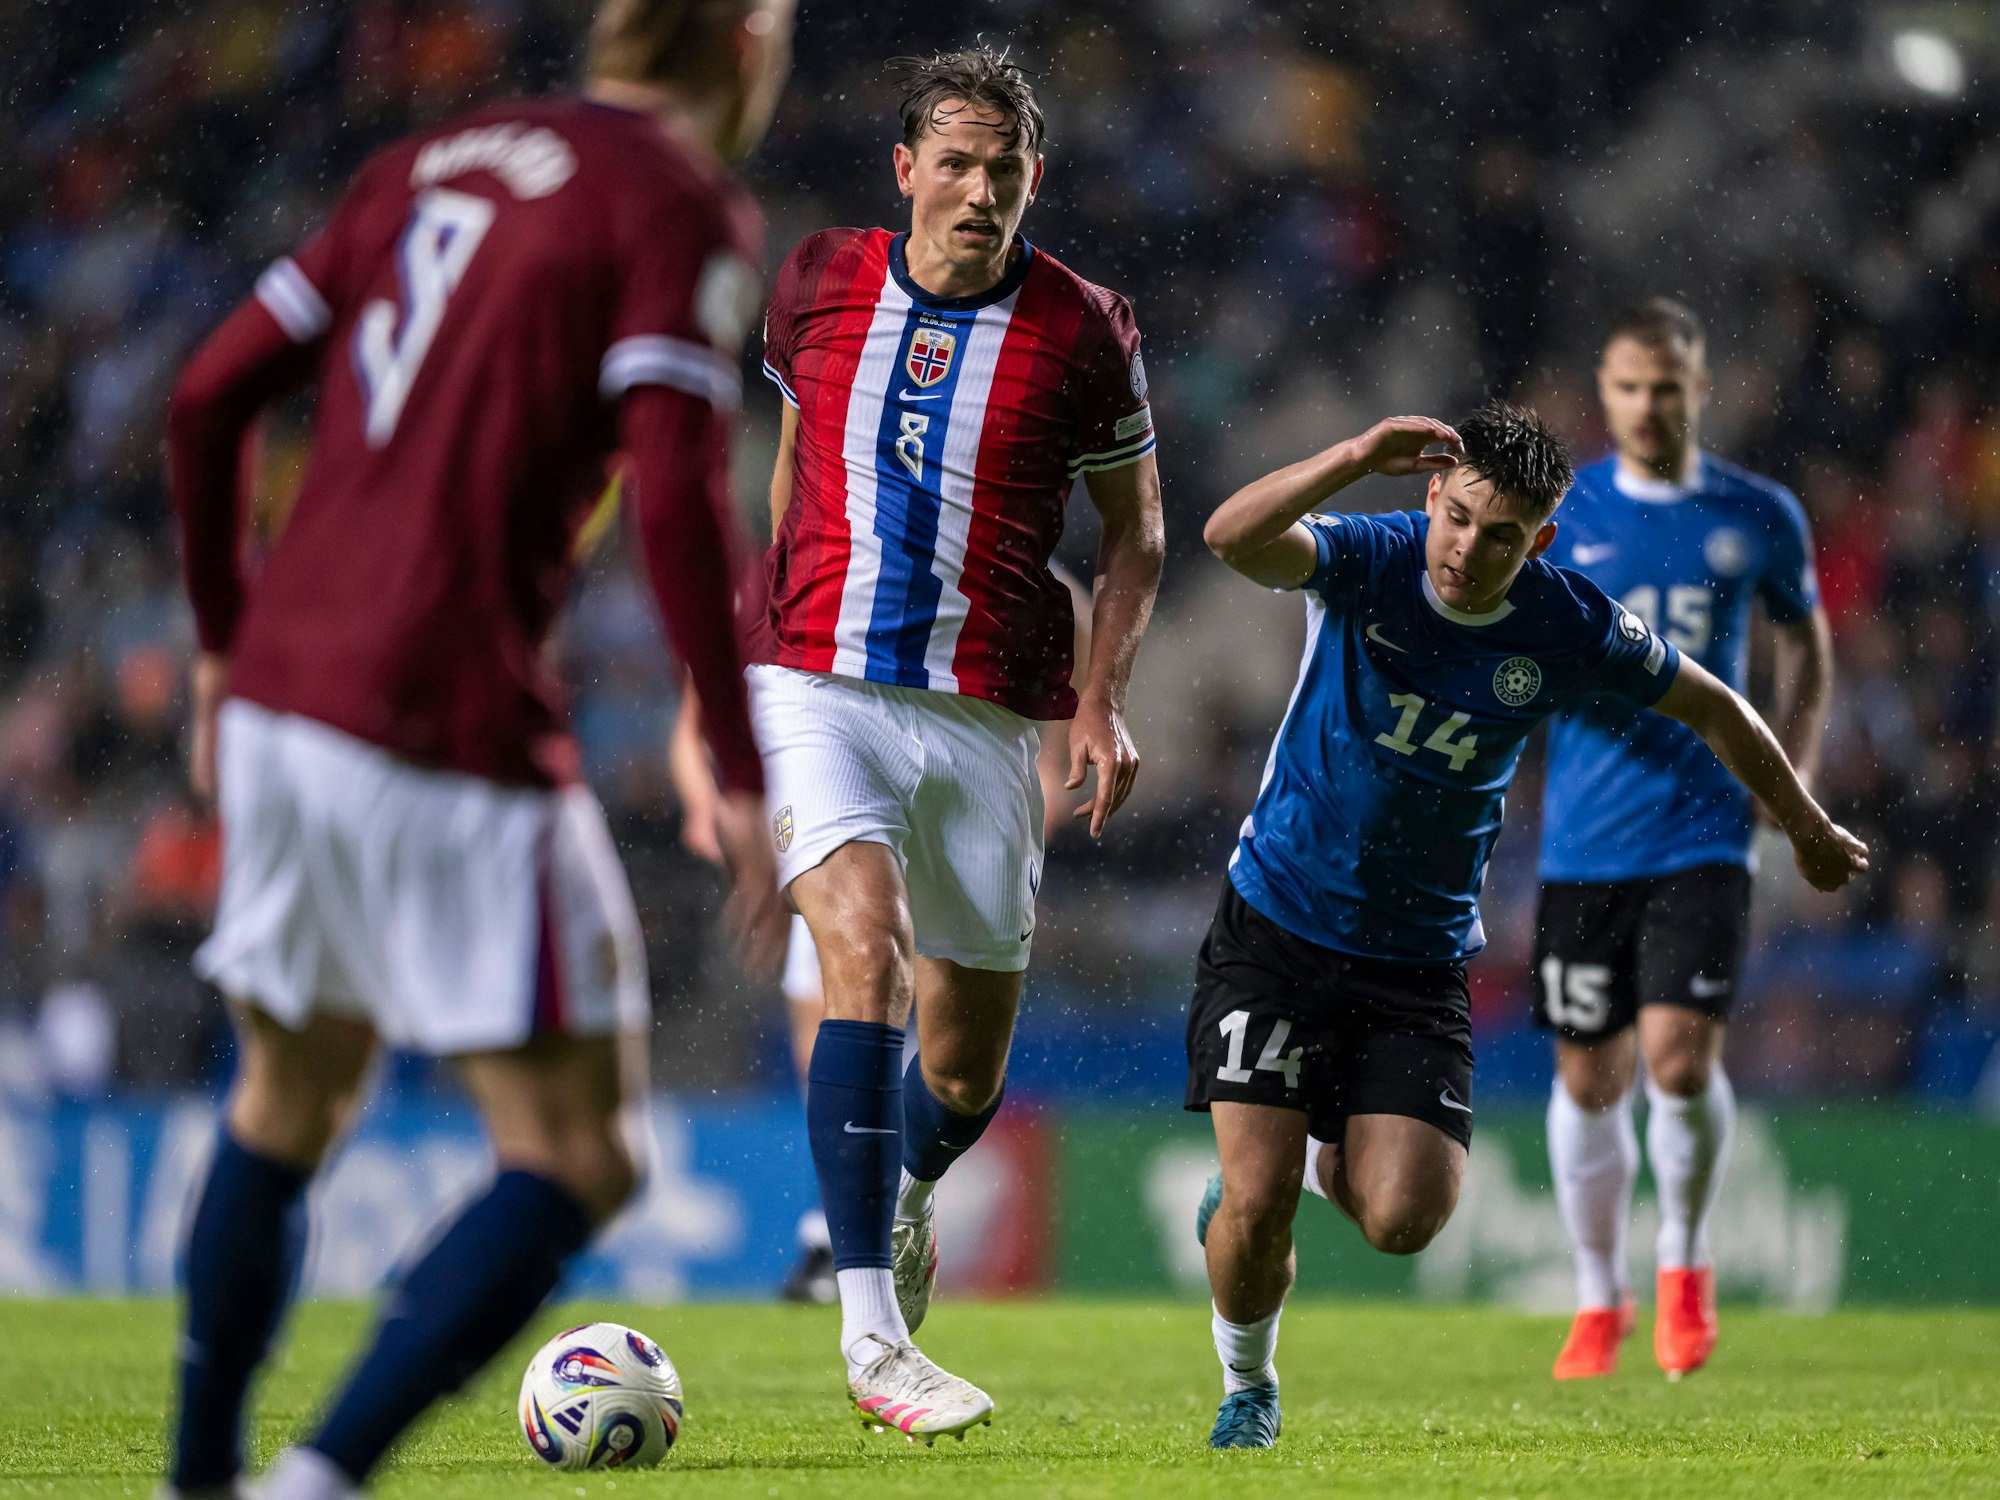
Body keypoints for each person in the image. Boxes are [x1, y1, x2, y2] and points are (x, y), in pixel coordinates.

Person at [158, 1, 795, 1494]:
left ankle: (199, 1477)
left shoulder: (425, 163)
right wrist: (746, 761)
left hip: (280, 694)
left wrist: (214, 639)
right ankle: (317, 1476)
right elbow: (678, 495)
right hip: (439, 707)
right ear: (744, 52)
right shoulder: (677, 202)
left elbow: (202, 401)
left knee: (289, 1098)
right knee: (582, 1157)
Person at [1186, 403, 1866, 1449]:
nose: (1467, 550)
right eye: (1457, 519)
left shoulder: (1564, 621)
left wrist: (1806, 826)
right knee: (1254, 1202)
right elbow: (1228, 537)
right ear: (1431, 499)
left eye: (1499, 535)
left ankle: (1299, 1167)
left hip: (1414, 960)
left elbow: (1717, 707)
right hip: (1276, 921)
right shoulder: (1369, 559)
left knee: (1401, 1221)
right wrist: (1353, 456)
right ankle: (1249, 1386)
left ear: (1538, 539)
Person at [750, 44, 1165, 1439]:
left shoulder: (1086, 328)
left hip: (989, 717)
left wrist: (1100, 697)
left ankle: (910, 1189)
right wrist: (771, 621)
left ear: (1033, 178)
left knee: (966, 1070)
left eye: (1007, 169)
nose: (981, 190)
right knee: (860, 953)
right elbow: (791, 463)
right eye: (958, 162)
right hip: (817, 688)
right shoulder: (814, 280)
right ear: (907, 169)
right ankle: (875, 1341)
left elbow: (1140, 534)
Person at [1536, 299, 1832, 1381]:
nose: (1647, 406)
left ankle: (1683, 1265)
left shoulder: (1755, 514)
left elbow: (1805, 641)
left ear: (1697, 389)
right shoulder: (1562, 510)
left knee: (1675, 1055)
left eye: (1665, 387)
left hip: (1703, 829)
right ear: (1602, 397)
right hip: (1580, 837)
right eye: (1627, 387)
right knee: (1584, 1080)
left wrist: (1786, 767)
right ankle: (1595, 1298)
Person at [669, 570, 1091, 1305]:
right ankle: (836, 1238)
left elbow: (1056, 750)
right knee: (838, 1027)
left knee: (955, 1062)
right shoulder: (770, 586)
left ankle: (895, 1197)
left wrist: (1032, 803)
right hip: (832, 816)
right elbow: (693, 726)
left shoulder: (1042, 594)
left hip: (961, 807)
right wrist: (713, 802)